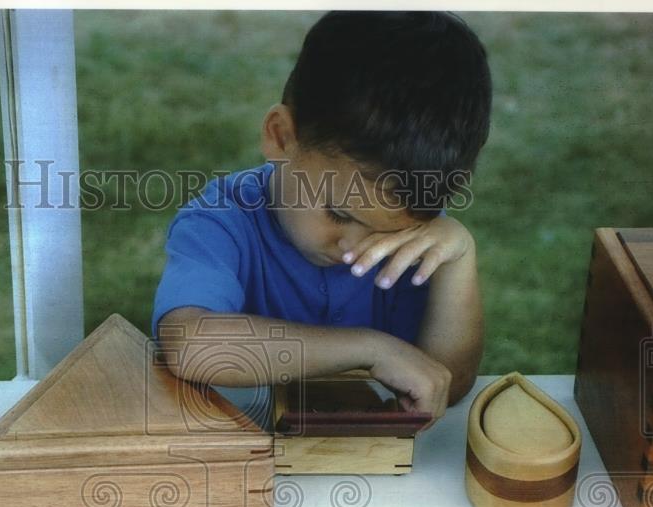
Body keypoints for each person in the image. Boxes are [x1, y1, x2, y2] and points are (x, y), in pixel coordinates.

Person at [151, 11, 492, 419]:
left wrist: (459, 261)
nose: (353, 248)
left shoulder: (415, 233)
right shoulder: (221, 221)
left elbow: (444, 383)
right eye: (337, 213)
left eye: (388, 230)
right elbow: (189, 346)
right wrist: (370, 349)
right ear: (281, 137)